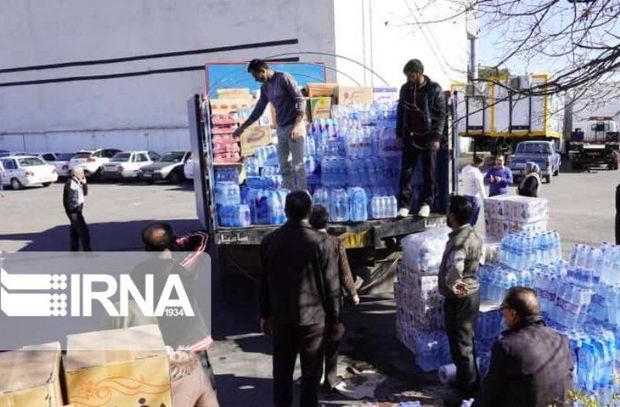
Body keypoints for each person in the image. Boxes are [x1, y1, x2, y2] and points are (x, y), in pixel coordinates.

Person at [259, 191, 341, 407]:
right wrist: (335, 320)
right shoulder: (322, 243)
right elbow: (333, 286)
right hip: (314, 320)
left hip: (282, 318)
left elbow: (264, 283)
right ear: (309, 211)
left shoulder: (270, 241)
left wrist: (265, 314)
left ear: (285, 211)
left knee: (282, 374)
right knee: (311, 376)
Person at [123, 223, 218, 397]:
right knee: (205, 387)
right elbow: (203, 237)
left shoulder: (138, 272)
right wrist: (177, 241)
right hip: (191, 340)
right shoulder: (183, 268)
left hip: (163, 341)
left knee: (173, 391)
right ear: (171, 243)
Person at [474, 287, 573, 407]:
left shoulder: (508, 346)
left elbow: (489, 394)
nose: (502, 315)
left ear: (513, 313)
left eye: (503, 309)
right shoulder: (561, 340)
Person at [233, 59, 307, 191]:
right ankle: (290, 194)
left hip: (294, 125)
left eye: (256, 76)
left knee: (297, 165)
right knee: (284, 165)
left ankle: (303, 196)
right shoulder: (265, 88)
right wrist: (242, 128)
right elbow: (258, 110)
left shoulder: (283, 78)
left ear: (263, 70)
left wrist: (297, 126)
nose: (256, 80)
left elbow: (300, 100)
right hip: (281, 127)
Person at [309, 205, 359, 391]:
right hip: (333, 300)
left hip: (310, 301)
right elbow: (345, 272)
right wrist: (353, 293)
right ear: (327, 222)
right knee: (332, 340)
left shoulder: (306, 243)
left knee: (313, 342)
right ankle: (330, 380)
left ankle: (313, 380)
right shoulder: (335, 242)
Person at [439, 195, 483, 400]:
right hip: (471, 293)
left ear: (454, 216)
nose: (448, 215)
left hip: (461, 298)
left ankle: (467, 389)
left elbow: (455, 272)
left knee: (460, 344)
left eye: (449, 212)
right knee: (467, 341)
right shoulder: (473, 235)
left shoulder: (459, 241)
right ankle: (469, 382)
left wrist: (455, 291)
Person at [396, 58, 446, 218]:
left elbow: (440, 115)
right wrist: (399, 135)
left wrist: (436, 137)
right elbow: (400, 113)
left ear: (419, 74)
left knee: (429, 173)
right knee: (406, 173)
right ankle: (404, 205)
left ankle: (427, 203)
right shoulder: (405, 89)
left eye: (410, 76)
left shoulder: (434, 89)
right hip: (410, 136)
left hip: (428, 138)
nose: (408, 79)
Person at [62, 167, 92, 251]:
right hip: (75, 211)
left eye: (83, 173)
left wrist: (84, 183)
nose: (83, 175)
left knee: (75, 232)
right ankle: (87, 252)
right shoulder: (71, 183)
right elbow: (71, 199)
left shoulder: (77, 182)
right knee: (84, 231)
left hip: (77, 210)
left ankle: (74, 250)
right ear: (75, 174)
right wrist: (73, 213)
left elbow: (85, 193)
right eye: (81, 173)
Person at [461, 156, 487, 226]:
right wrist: (485, 199)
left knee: (466, 218)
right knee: (473, 219)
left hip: (465, 195)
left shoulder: (465, 169)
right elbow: (480, 188)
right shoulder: (477, 173)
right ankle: (470, 233)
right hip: (474, 197)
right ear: (481, 163)